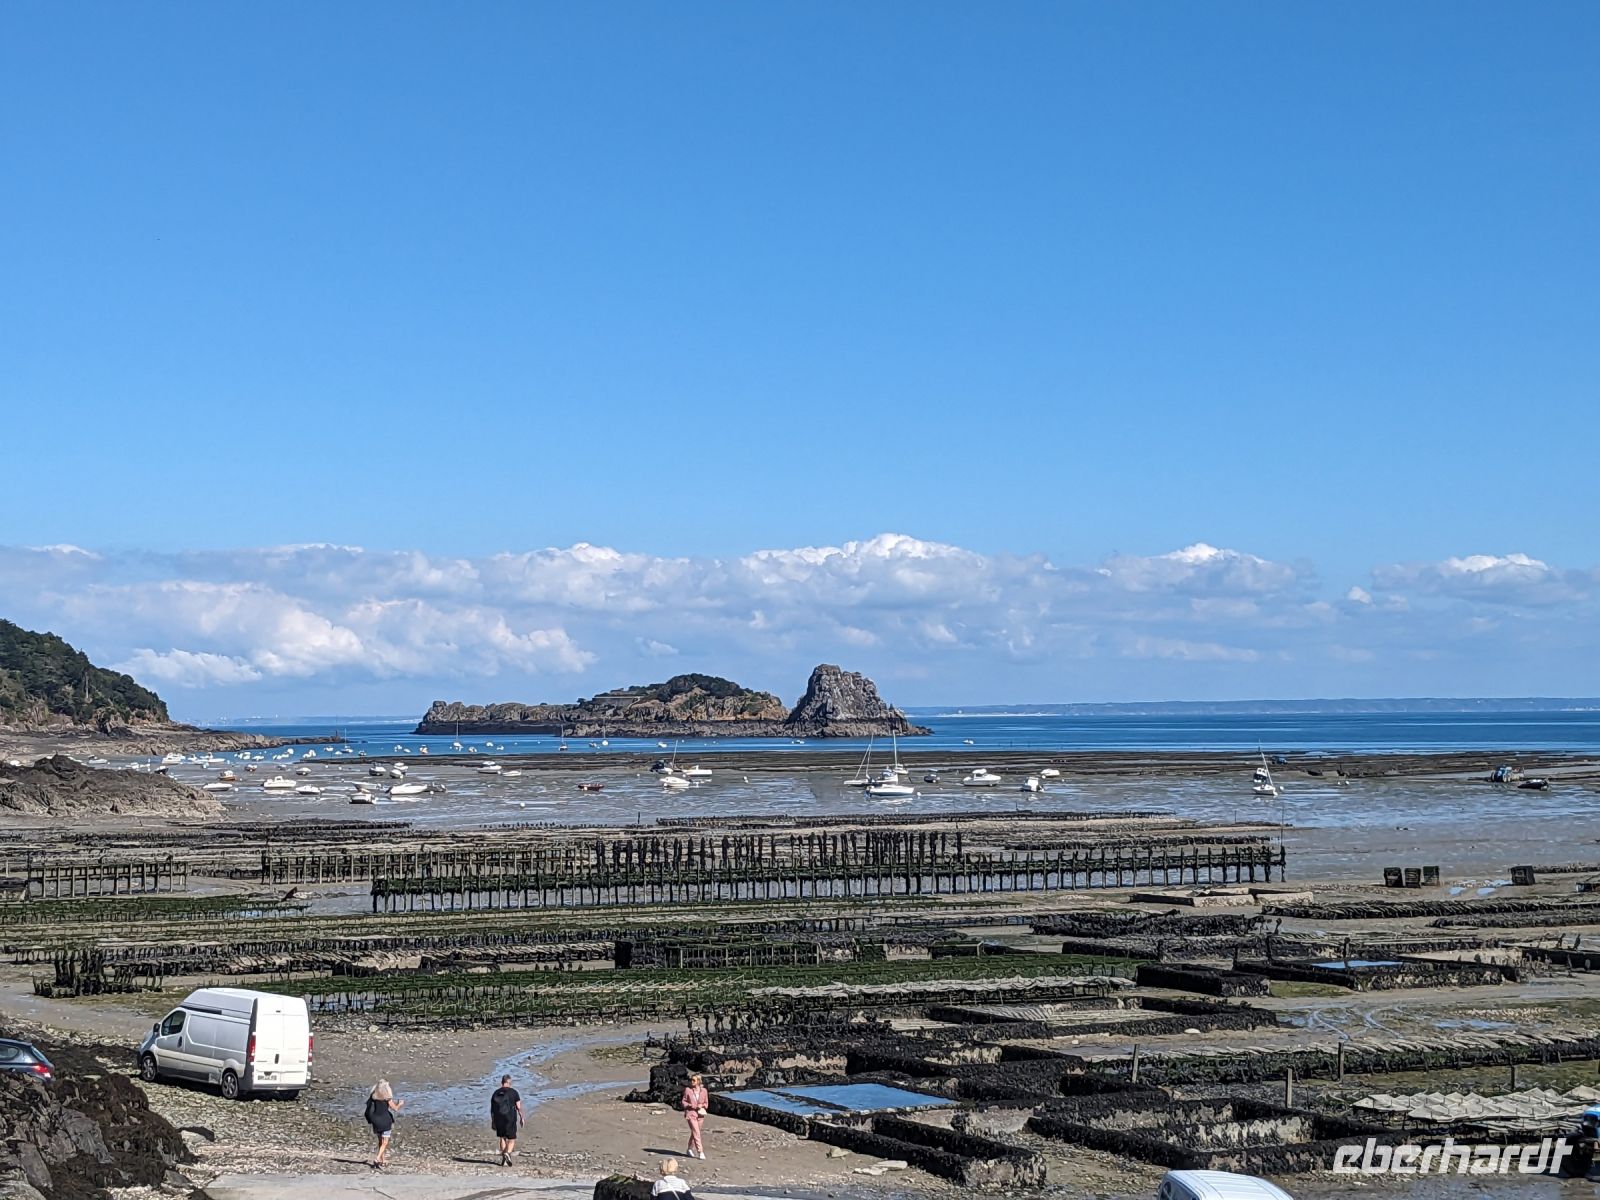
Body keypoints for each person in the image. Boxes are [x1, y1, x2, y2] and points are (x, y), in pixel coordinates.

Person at [365, 1079, 404, 1168]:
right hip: (385, 1121)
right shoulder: (387, 1098)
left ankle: (383, 1160)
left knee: (380, 1141)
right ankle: (377, 1158)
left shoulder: (373, 1097)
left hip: (375, 1120)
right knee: (385, 1142)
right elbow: (395, 1108)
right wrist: (400, 1104)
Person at [490, 1073, 524, 1166]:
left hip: (498, 1118)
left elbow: (492, 1109)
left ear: (502, 1082)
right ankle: (507, 1153)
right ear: (509, 1082)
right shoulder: (514, 1092)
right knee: (512, 1138)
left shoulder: (495, 1093)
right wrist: (521, 1117)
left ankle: (504, 1160)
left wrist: (493, 1121)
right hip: (510, 1117)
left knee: (502, 1137)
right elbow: (518, 1107)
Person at [680, 1073, 709, 1160]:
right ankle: (700, 1152)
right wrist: (690, 1105)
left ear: (698, 1081)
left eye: (694, 1080)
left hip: (700, 1114)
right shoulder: (688, 1090)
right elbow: (683, 1102)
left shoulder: (704, 1091)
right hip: (691, 1113)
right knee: (696, 1132)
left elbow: (706, 1104)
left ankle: (689, 1149)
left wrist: (702, 1105)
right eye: (691, 1080)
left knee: (695, 1133)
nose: (691, 1082)